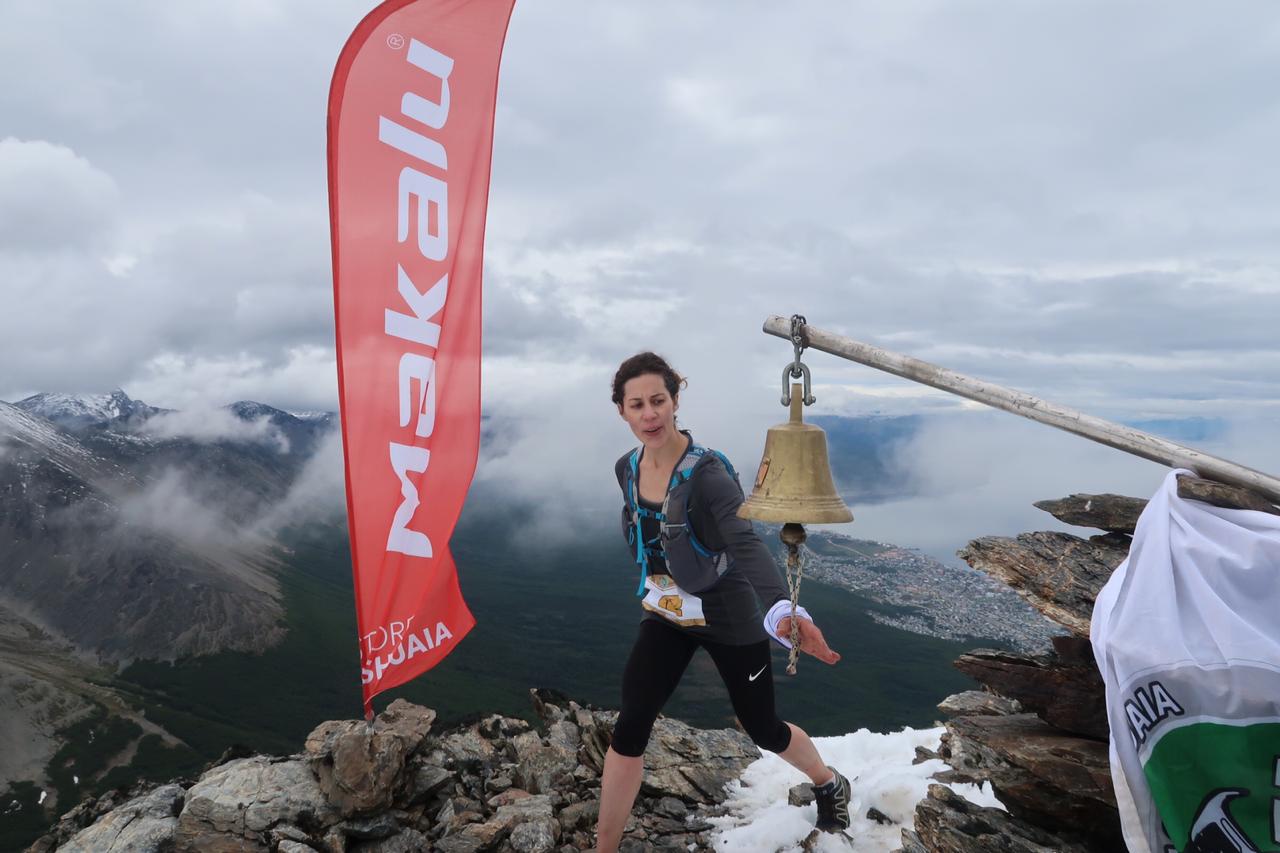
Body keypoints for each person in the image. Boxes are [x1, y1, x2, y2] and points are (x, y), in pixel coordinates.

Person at [595, 351, 852, 853]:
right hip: (666, 614)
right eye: (637, 405)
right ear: (621, 411)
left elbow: (744, 542)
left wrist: (783, 609)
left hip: (726, 615)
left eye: (658, 400)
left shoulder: (708, 475)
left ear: (675, 400)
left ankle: (827, 781)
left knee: (763, 728)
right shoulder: (626, 467)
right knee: (630, 727)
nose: (649, 414)